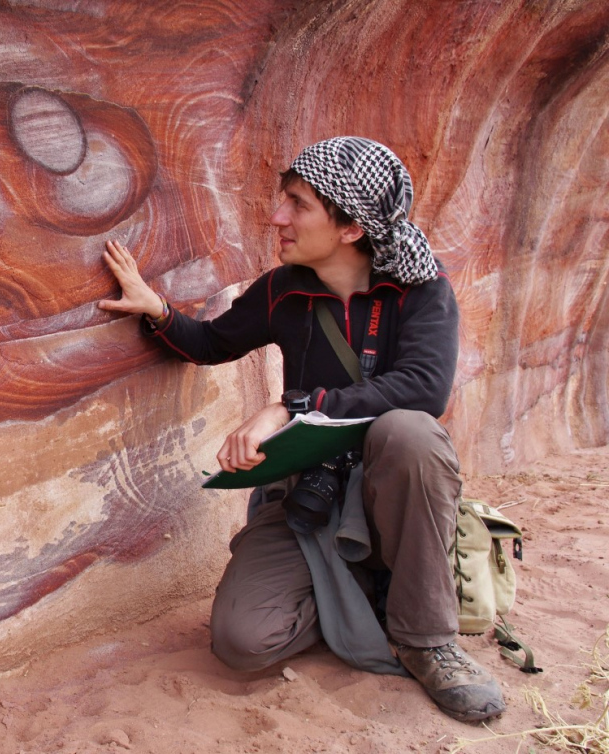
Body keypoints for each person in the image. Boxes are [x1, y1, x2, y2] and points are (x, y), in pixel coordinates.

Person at [97, 136, 505, 722]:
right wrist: (156, 309)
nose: (277, 216)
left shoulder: (420, 288)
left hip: (393, 489)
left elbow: (424, 388)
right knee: (242, 642)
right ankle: (368, 592)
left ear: (350, 227)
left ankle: (426, 639)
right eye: (282, 199)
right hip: (309, 491)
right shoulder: (284, 290)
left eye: (297, 203)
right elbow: (212, 343)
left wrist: (290, 407)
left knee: (408, 433)